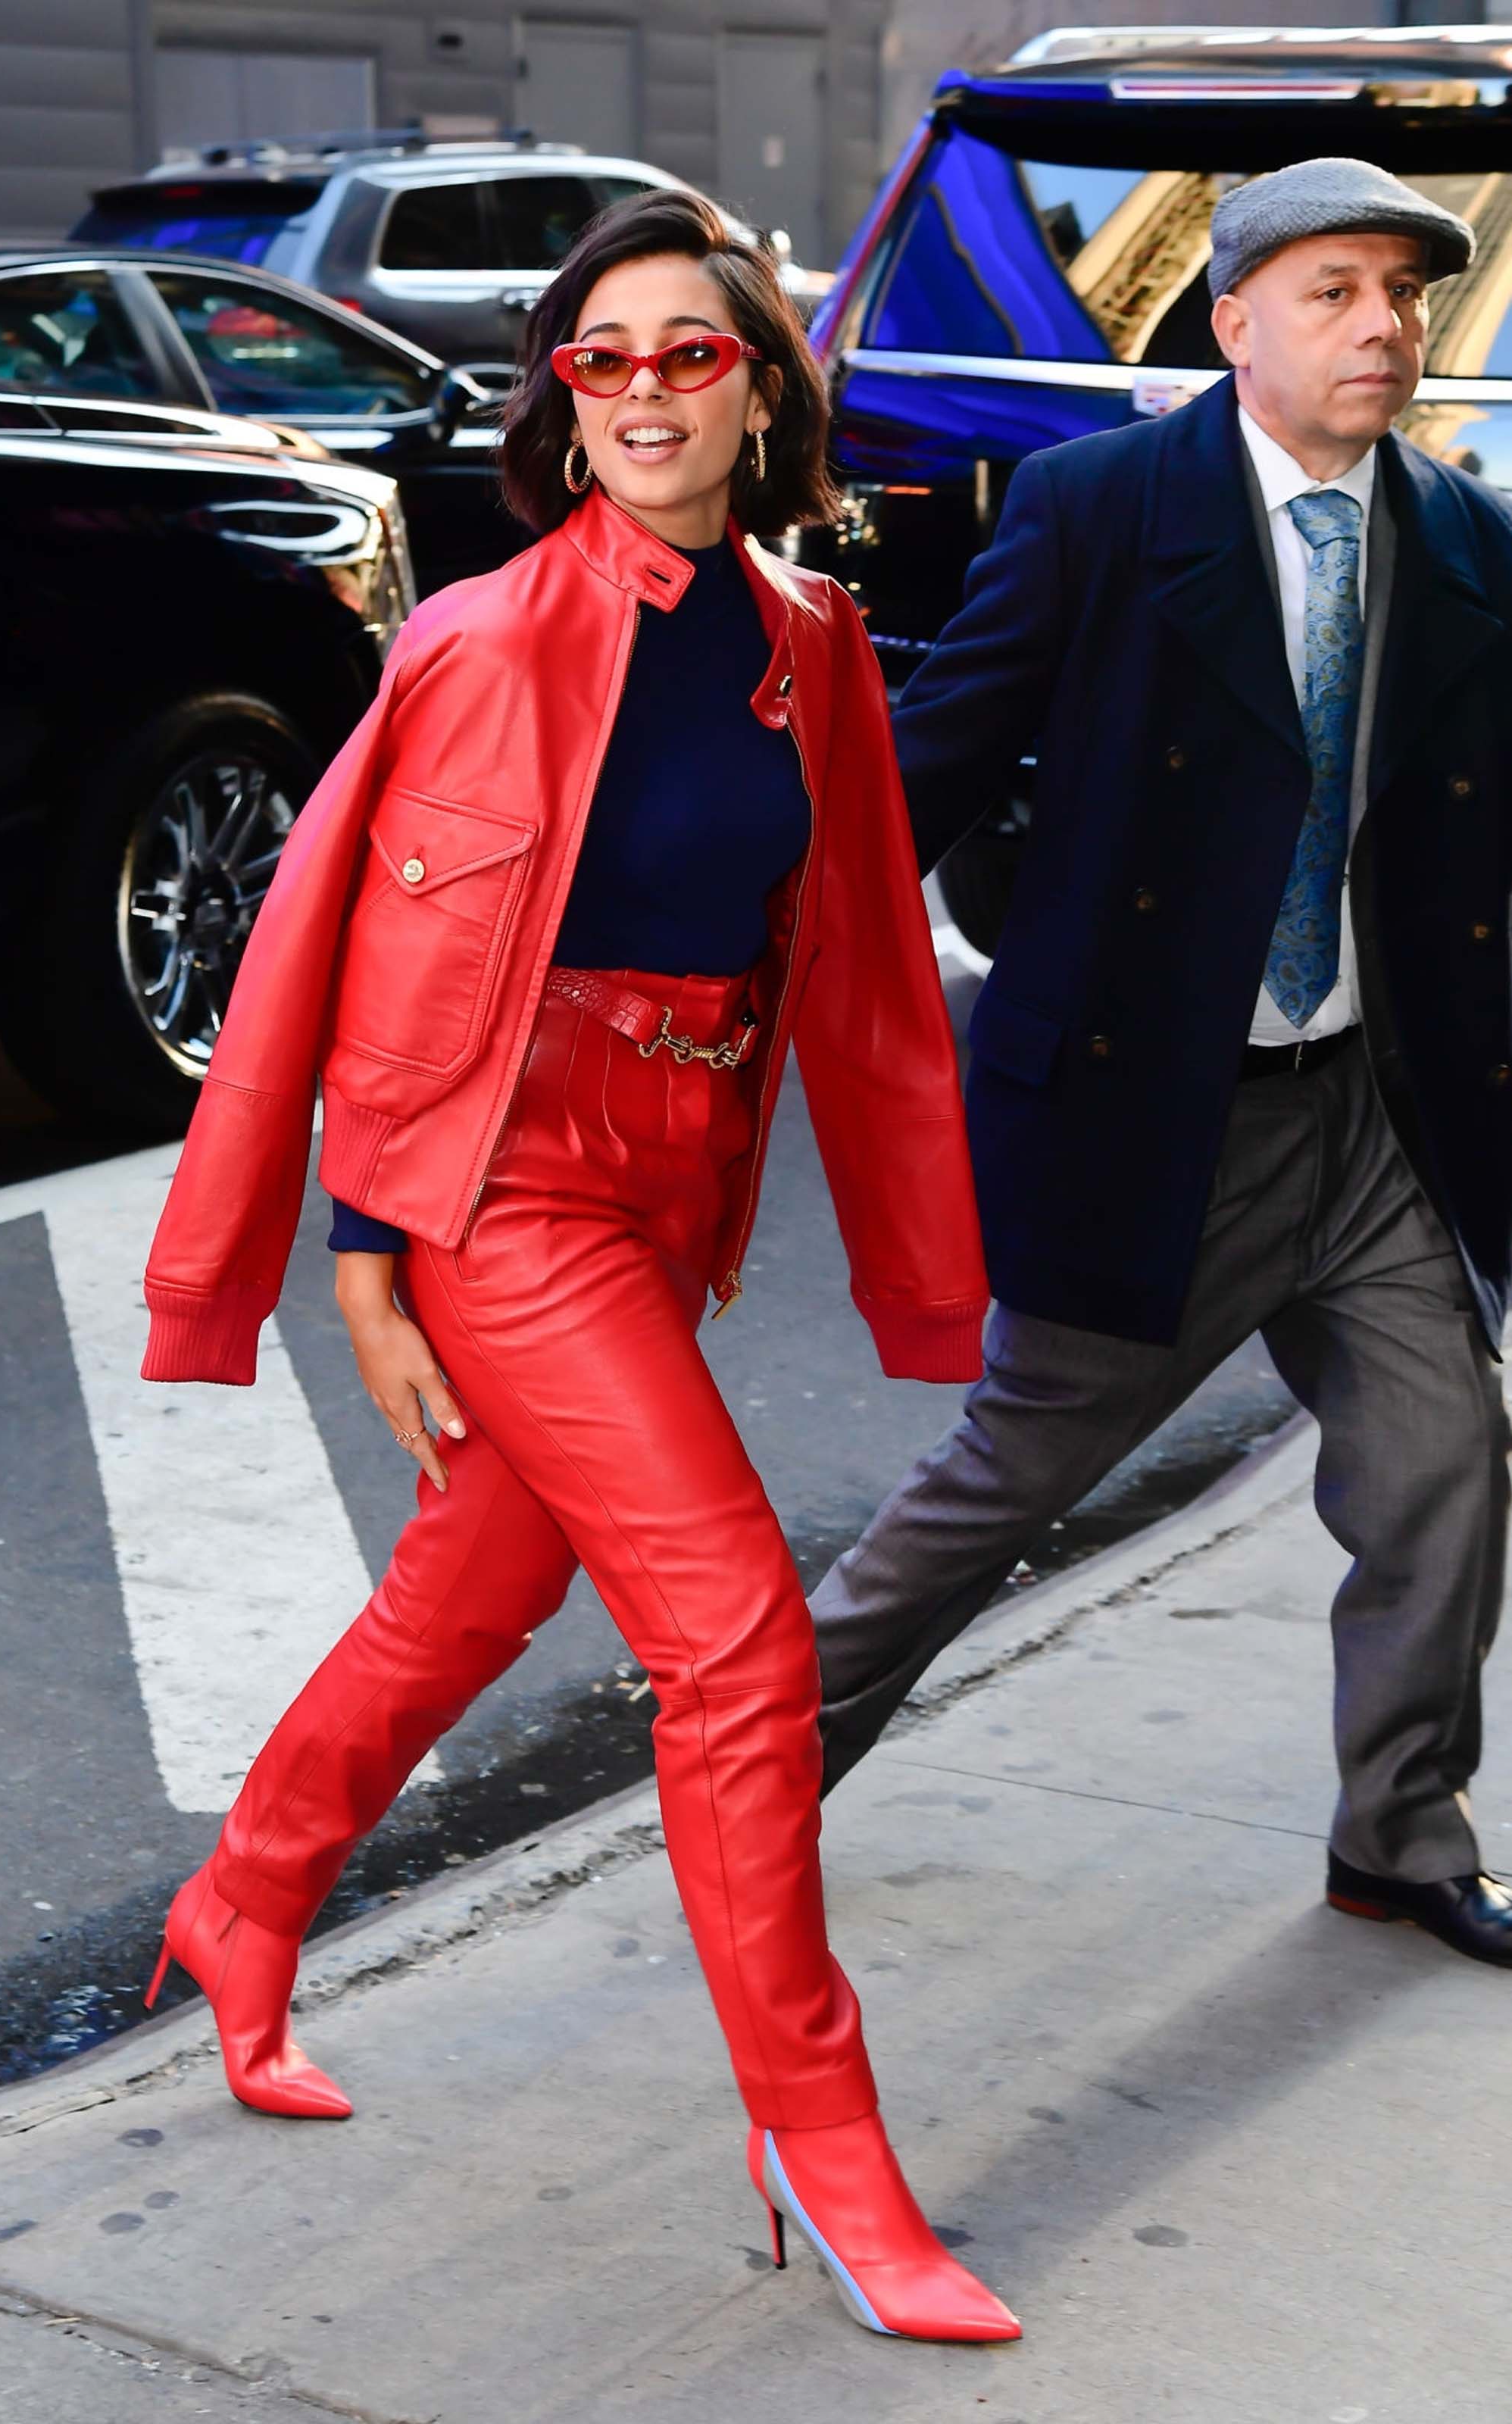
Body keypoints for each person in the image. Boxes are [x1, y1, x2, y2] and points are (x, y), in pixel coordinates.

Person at [138, 189, 1020, 2345]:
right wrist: (369, 1246)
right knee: (733, 1642)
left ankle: (242, 1905)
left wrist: (926, 1250)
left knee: (482, 1582)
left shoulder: (813, 651)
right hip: (507, 1183)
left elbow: (873, 983)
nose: (638, 388)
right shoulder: (483, 638)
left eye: (686, 354)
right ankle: (818, 2143)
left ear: (759, 390)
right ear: (562, 397)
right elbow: (362, 948)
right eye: (599, 357)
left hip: (665, 1175)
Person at [811, 158, 1512, 1968]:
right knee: (1001, 1481)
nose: (1382, 325)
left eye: (1402, 295)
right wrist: (756, 980)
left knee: (1442, 1461)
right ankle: (751, 1755)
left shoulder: (1461, 536)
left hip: (1365, 1108)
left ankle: (1398, 1833)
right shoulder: (1098, 506)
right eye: (1333, 290)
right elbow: (925, 765)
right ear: (1231, 323)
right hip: (1154, 1109)